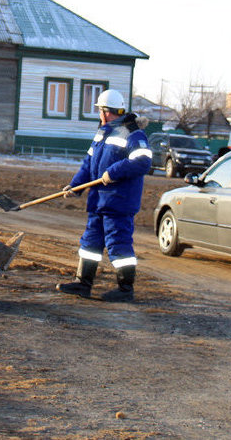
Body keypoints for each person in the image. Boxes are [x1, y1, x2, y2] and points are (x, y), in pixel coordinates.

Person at [56, 89, 150, 302]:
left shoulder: (132, 133)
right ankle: (83, 284)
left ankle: (125, 290)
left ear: (106, 111)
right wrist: (75, 186)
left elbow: (143, 161)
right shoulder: (102, 133)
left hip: (119, 202)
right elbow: (88, 164)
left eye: (99, 110)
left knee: (119, 243)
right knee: (90, 242)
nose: (99, 114)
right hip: (98, 201)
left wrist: (114, 172)